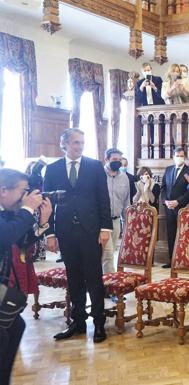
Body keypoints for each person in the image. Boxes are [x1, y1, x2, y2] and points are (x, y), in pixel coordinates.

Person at [43, 128, 112, 343]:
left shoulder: (94, 166)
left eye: (82, 142)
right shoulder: (53, 169)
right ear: (64, 144)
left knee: (94, 278)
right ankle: (78, 322)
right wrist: (50, 233)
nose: (80, 146)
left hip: (91, 231)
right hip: (65, 231)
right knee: (73, 278)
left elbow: (103, 198)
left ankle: (99, 323)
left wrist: (105, 229)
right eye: (75, 143)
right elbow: (47, 203)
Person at [0, 168, 50, 385]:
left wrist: (42, 223)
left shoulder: (8, 212)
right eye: (23, 191)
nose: (26, 196)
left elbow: (20, 242)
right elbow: (6, 236)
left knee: (15, 326)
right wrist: (28, 209)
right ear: (3, 190)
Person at [161, 147, 189, 268]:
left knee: (183, 234)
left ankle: (183, 260)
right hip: (169, 208)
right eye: (177, 155)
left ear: (184, 157)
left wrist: (178, 202)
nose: (178, 157)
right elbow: (163, 188)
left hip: (182, 207)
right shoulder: (169, 169)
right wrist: (166, 201)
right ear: (173, 157)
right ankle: (171, 260)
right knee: (171, 234)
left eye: (181, 156)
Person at [102, 148, 130, 275]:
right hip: (102, 222)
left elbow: (126, 201)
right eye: (114, 159)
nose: (117, 162)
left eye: (119, 160)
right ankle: (110, 287)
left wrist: (127, 223)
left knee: (110, 253)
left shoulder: (124, 177)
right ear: (107, 159)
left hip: (116, 221)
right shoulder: (99, 175)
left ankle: (100, 283)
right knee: (107, 255)